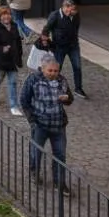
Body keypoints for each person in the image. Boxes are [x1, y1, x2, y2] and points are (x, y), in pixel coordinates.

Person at [21, 55, 74, 193]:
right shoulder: (33, 80)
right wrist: (32, 121)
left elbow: (70, 99)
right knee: (36, 152)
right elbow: (24, 100)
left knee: (60, 154)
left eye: (56, 71)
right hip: (40, 124)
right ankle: (34, 173)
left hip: (58, 125)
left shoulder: (62, 80)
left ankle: (59, 182)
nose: (53, 74)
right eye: (50, 71)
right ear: (43, 69)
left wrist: (67, 99)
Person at [42, 0, 88, 99]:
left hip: (73, 46)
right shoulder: (54, 16)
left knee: (77, 67)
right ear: (63, 7)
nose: (70, 13)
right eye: (68, 10)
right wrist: (45, 40)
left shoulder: (75, 15)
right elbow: (46, 28)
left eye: (72, 11)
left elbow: (76, 28)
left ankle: (78, 88)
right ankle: (52, 87)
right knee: (57, 68)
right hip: (59, 47)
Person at [0, 8, 24, 116]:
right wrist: (2, 48)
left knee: (12, 82)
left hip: (13, 59)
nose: (6, 16)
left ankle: (14, 106)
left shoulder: (14, 26)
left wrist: (20, 55)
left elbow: (18, 42)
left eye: (8, 14)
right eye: (4, 14)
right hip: (2, 59)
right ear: (0, 16)